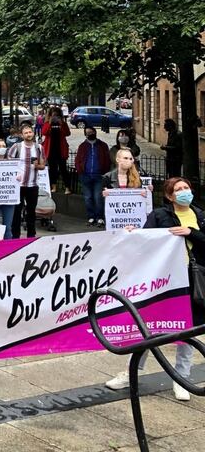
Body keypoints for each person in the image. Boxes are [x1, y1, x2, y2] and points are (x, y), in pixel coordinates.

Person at [104, 177, 202, 402]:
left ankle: (181, 378)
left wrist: (191, 232)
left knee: (189, 330)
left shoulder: (200, 215)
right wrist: (132, 232)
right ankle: (130, 373)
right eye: (179, 189)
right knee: (150, 328)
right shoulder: (160, 216)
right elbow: (145, 240)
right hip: (165, 282)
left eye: (186, 188)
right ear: (169, 196)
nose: (185, 192)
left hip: (194, 282)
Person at [7, 123, 45, 238]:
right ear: (21, 135)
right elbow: (8, 162)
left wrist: (37, 165)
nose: (29, 134)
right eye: (26, 133)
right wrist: (14, 173)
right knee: (16, 212)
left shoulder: (39, 147)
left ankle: (31, 236)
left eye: (30, 132)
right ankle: (15, 236)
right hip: (18, 185)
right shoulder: (17, 147)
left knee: (31, 212)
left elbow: (43, 165)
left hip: (33, 184)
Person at [75, 126, 111, 227]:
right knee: (88, 197)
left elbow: (107, 159)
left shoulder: (102, 145)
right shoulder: (82, 146)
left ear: (95, 132)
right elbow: (78, 159)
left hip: (98, 175)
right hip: (85, 175)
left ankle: (100, 217)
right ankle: (91, 217)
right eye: (87, 132)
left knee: (98, 197)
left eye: (91, 132)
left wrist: (104, 171)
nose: (90, 134)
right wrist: (80, 170)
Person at [41, 108, 71, 193]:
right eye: (53, 115)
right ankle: (53, 186)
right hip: (51, 150)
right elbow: (44, 132)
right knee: (53, 169)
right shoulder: (47, 123)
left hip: (60, 149)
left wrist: (62, 123)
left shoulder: (63, 123)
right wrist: (49, 122)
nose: (55, 117)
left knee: (63, 169)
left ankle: (67, 187)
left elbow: (67, 133)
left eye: (57, 115)